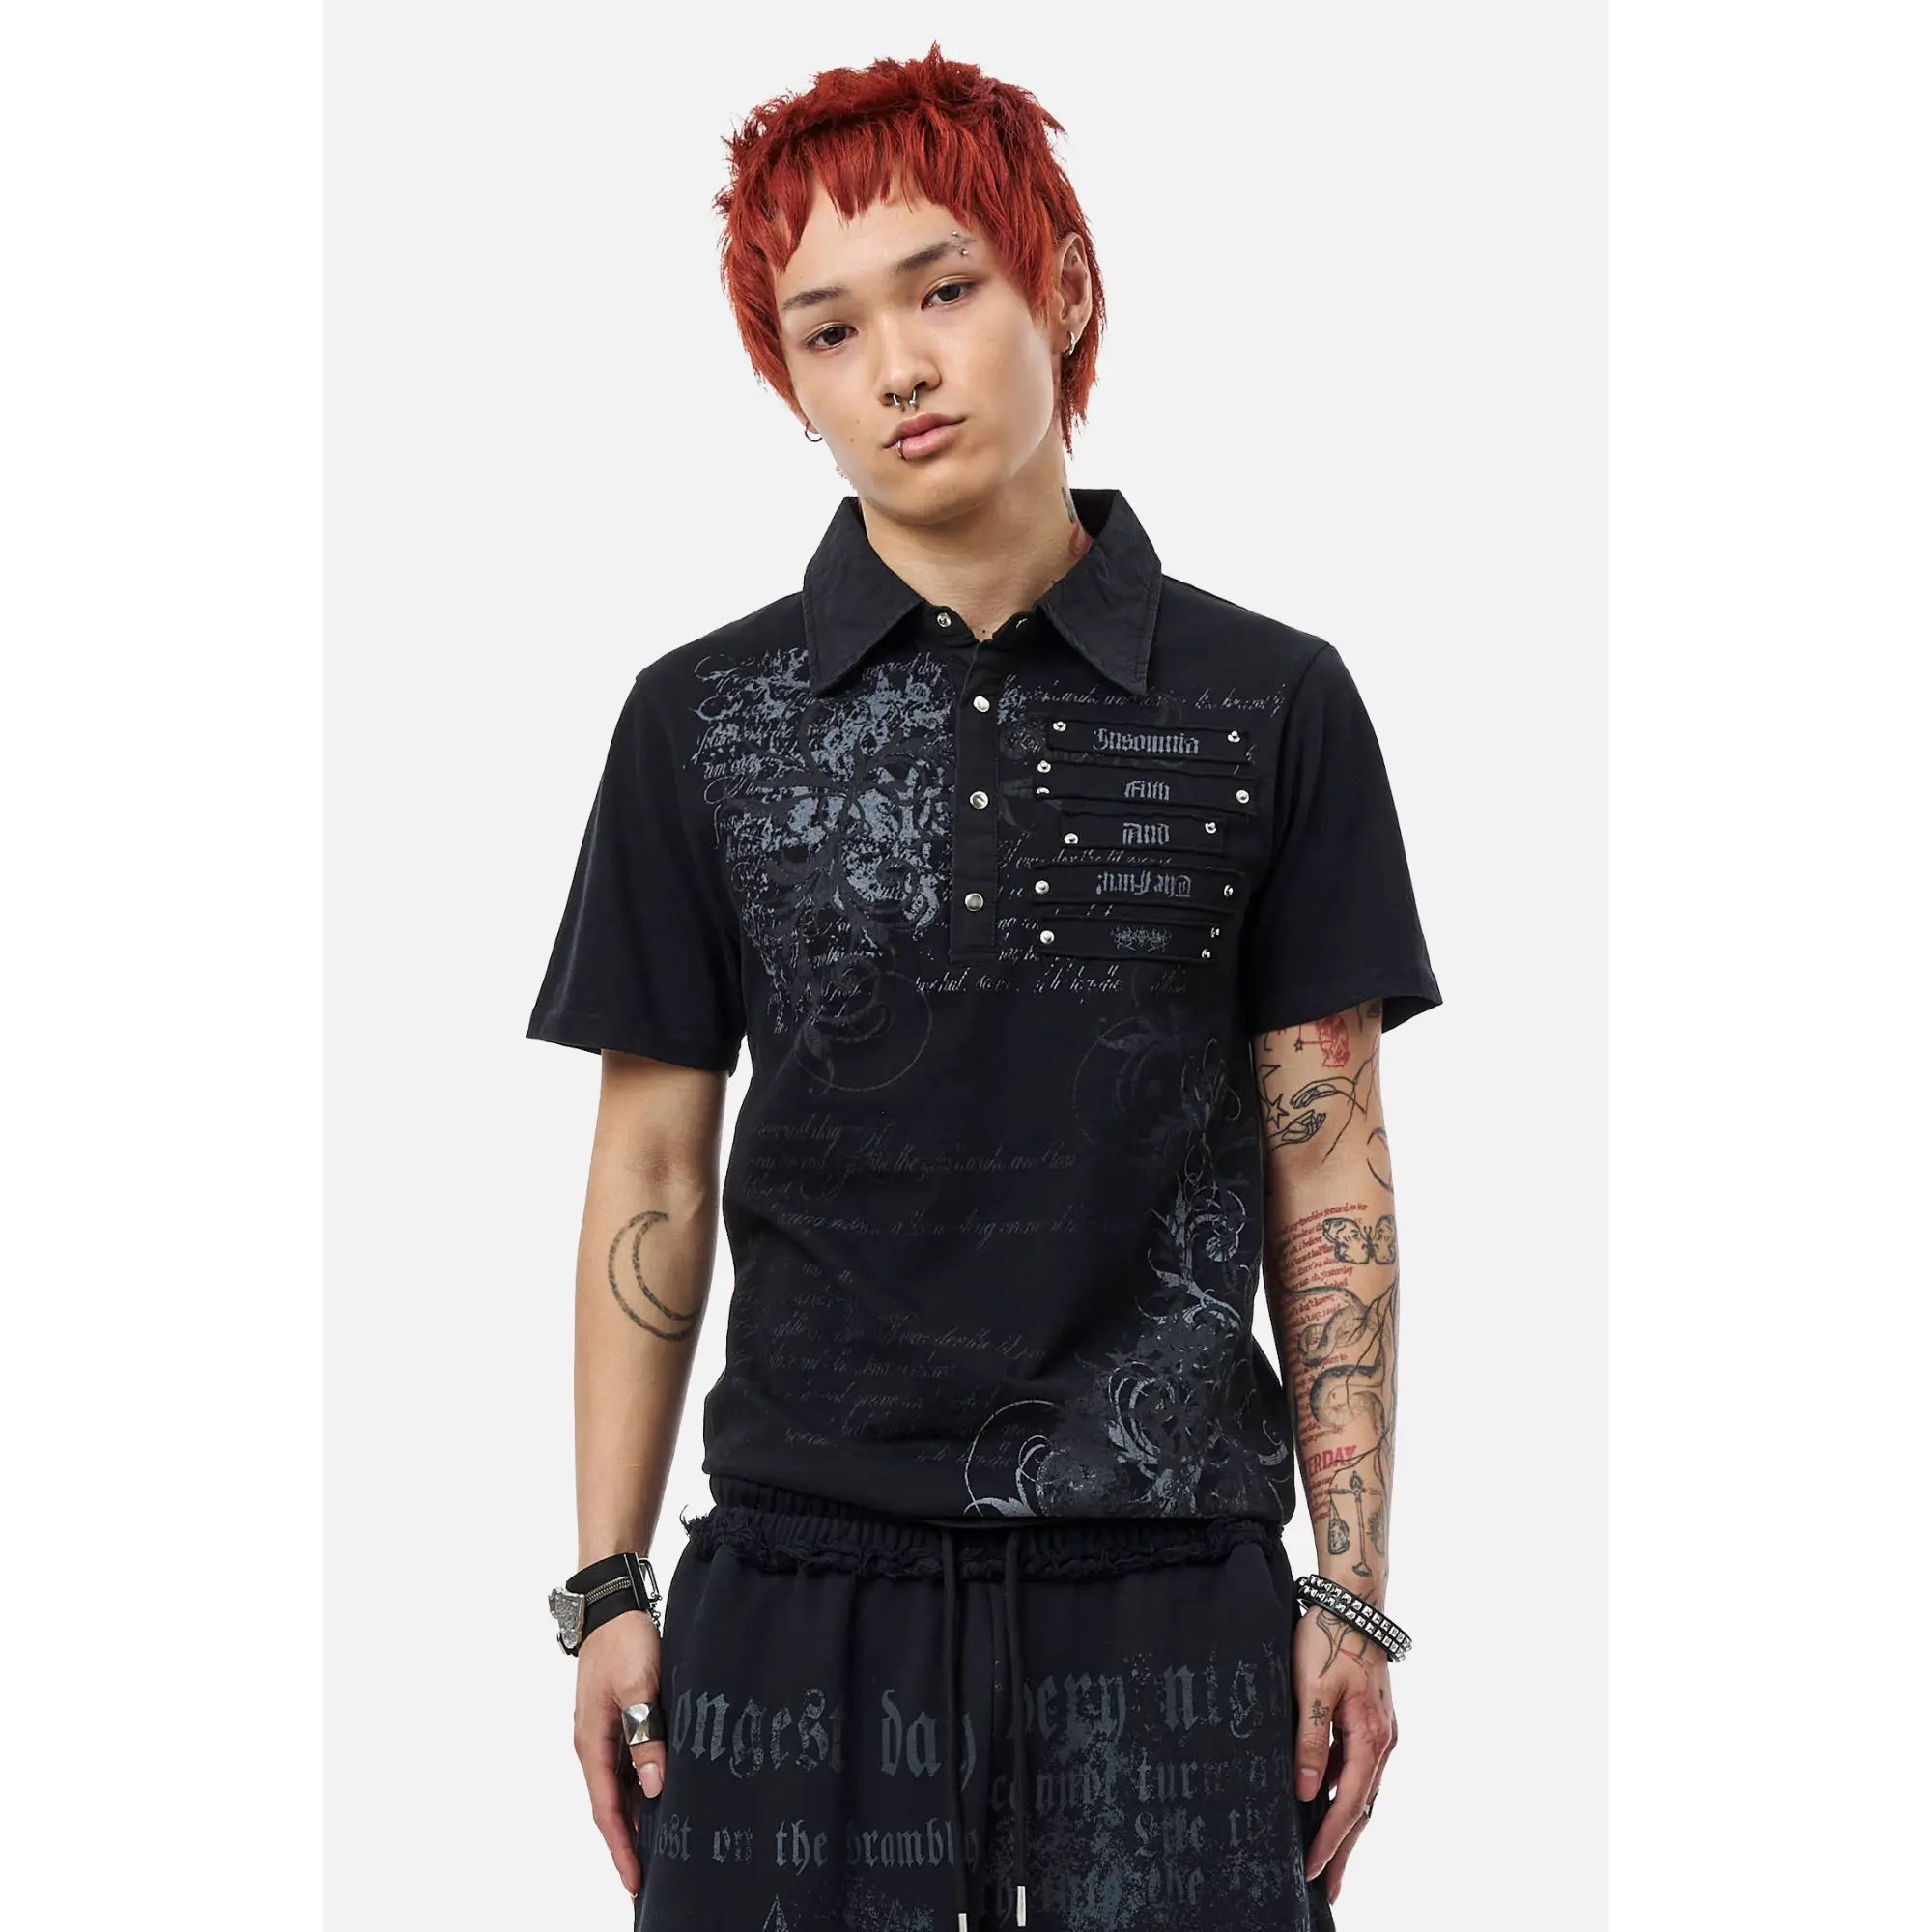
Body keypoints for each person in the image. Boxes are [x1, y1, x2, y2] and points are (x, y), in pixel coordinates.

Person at [528, 42, 1440, 1932]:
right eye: (830, 330)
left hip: (1171, 1597)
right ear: (790, 381)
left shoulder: (1272, 704)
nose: (899, 367)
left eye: (943, 290)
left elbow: (1328, 1161)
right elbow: (651, 1172)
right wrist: (607, 1585)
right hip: (798, 1593)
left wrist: (1348, 1592)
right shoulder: (700, 720)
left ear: (1063, 287)